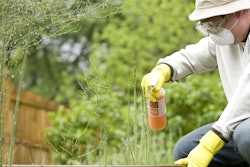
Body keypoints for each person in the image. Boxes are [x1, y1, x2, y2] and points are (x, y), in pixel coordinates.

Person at [141, 0, 250, 166]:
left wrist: (211, 143)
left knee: (245, 136)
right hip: (241, 123)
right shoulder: (228, 37)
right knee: (186, 149)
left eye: (216, 23)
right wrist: (164, 69)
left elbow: (247, 95)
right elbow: (195, 55)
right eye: (208, 25)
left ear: (240, 11)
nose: (214, 31)